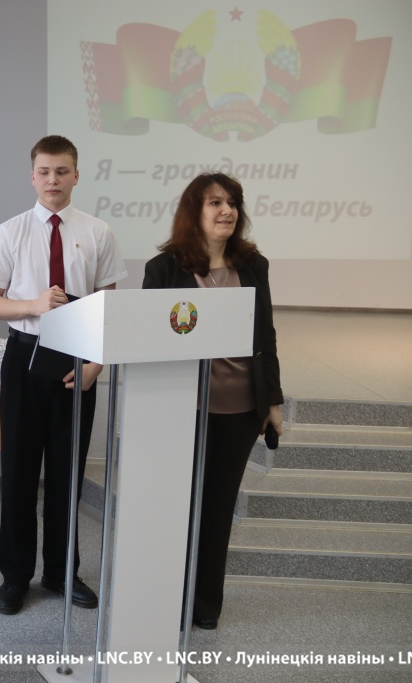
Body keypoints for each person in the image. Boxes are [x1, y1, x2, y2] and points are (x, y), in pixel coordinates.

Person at [0, 135, 127, 615]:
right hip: (24, 360)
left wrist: (96, 365)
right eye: (44, 171)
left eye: (62, 171)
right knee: (19, 474)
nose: (53, 180)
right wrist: (33, 305)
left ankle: (62, 572)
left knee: (67, 474)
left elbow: (110, 309)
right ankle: (15, 576)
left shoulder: (98, 232)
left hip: (76, 362)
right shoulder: (11, 231)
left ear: (76, 175)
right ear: (32, 176)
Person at [142, 172, 283, 630]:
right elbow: (148, 340)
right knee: (178, 506)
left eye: (233, 203)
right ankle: (168, 597)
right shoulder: (164, 269)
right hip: (184, 408)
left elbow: (265, 333)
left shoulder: (253, 264)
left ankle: (205, 604)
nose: (227, 211)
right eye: (215, 203)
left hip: (241, 409)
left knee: (219, 509)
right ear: (194, 212)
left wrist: (273, 401)